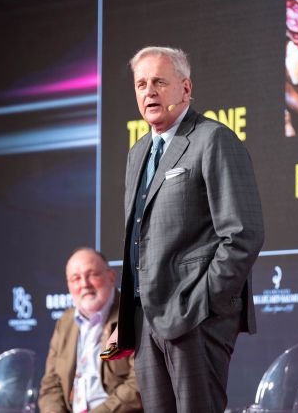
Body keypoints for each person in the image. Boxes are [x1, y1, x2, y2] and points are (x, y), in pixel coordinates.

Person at [107, 46, 265, 413]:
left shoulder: (213, 139)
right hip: (146, 322)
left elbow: (243, 234)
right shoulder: (138, 153)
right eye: (141, 84)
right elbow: (138, 244)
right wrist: (129, 316)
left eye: (160, 82)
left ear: (186, 88)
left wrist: (201, 304)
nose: (149, 92)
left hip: (195, 320)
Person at [38, 248, 142, 413]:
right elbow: (51, 384)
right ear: (69, 285)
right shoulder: (65, 322)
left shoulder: (131, 315)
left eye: (92, 274)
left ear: (111, 276)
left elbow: (139, 383)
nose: (84, 284)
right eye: (76, 278)